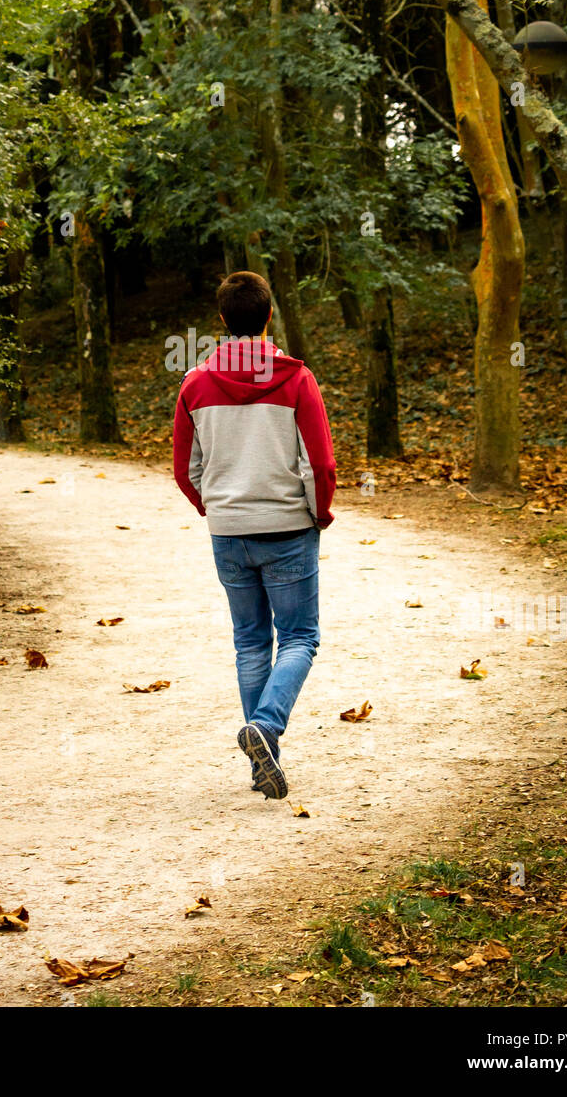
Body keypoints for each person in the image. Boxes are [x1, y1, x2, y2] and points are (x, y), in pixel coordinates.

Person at [173, 271, 336, 798]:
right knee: (300, 638)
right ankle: (265, 728)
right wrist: (320, 513)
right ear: (270, 316)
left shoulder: (195, 385)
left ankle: (261, 757)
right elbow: (320, 463)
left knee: (249, 642)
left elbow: (185, 468)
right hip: (288, 527)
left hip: (229, 532)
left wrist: (215, 508)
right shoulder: (296, 379)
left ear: (222, 321)